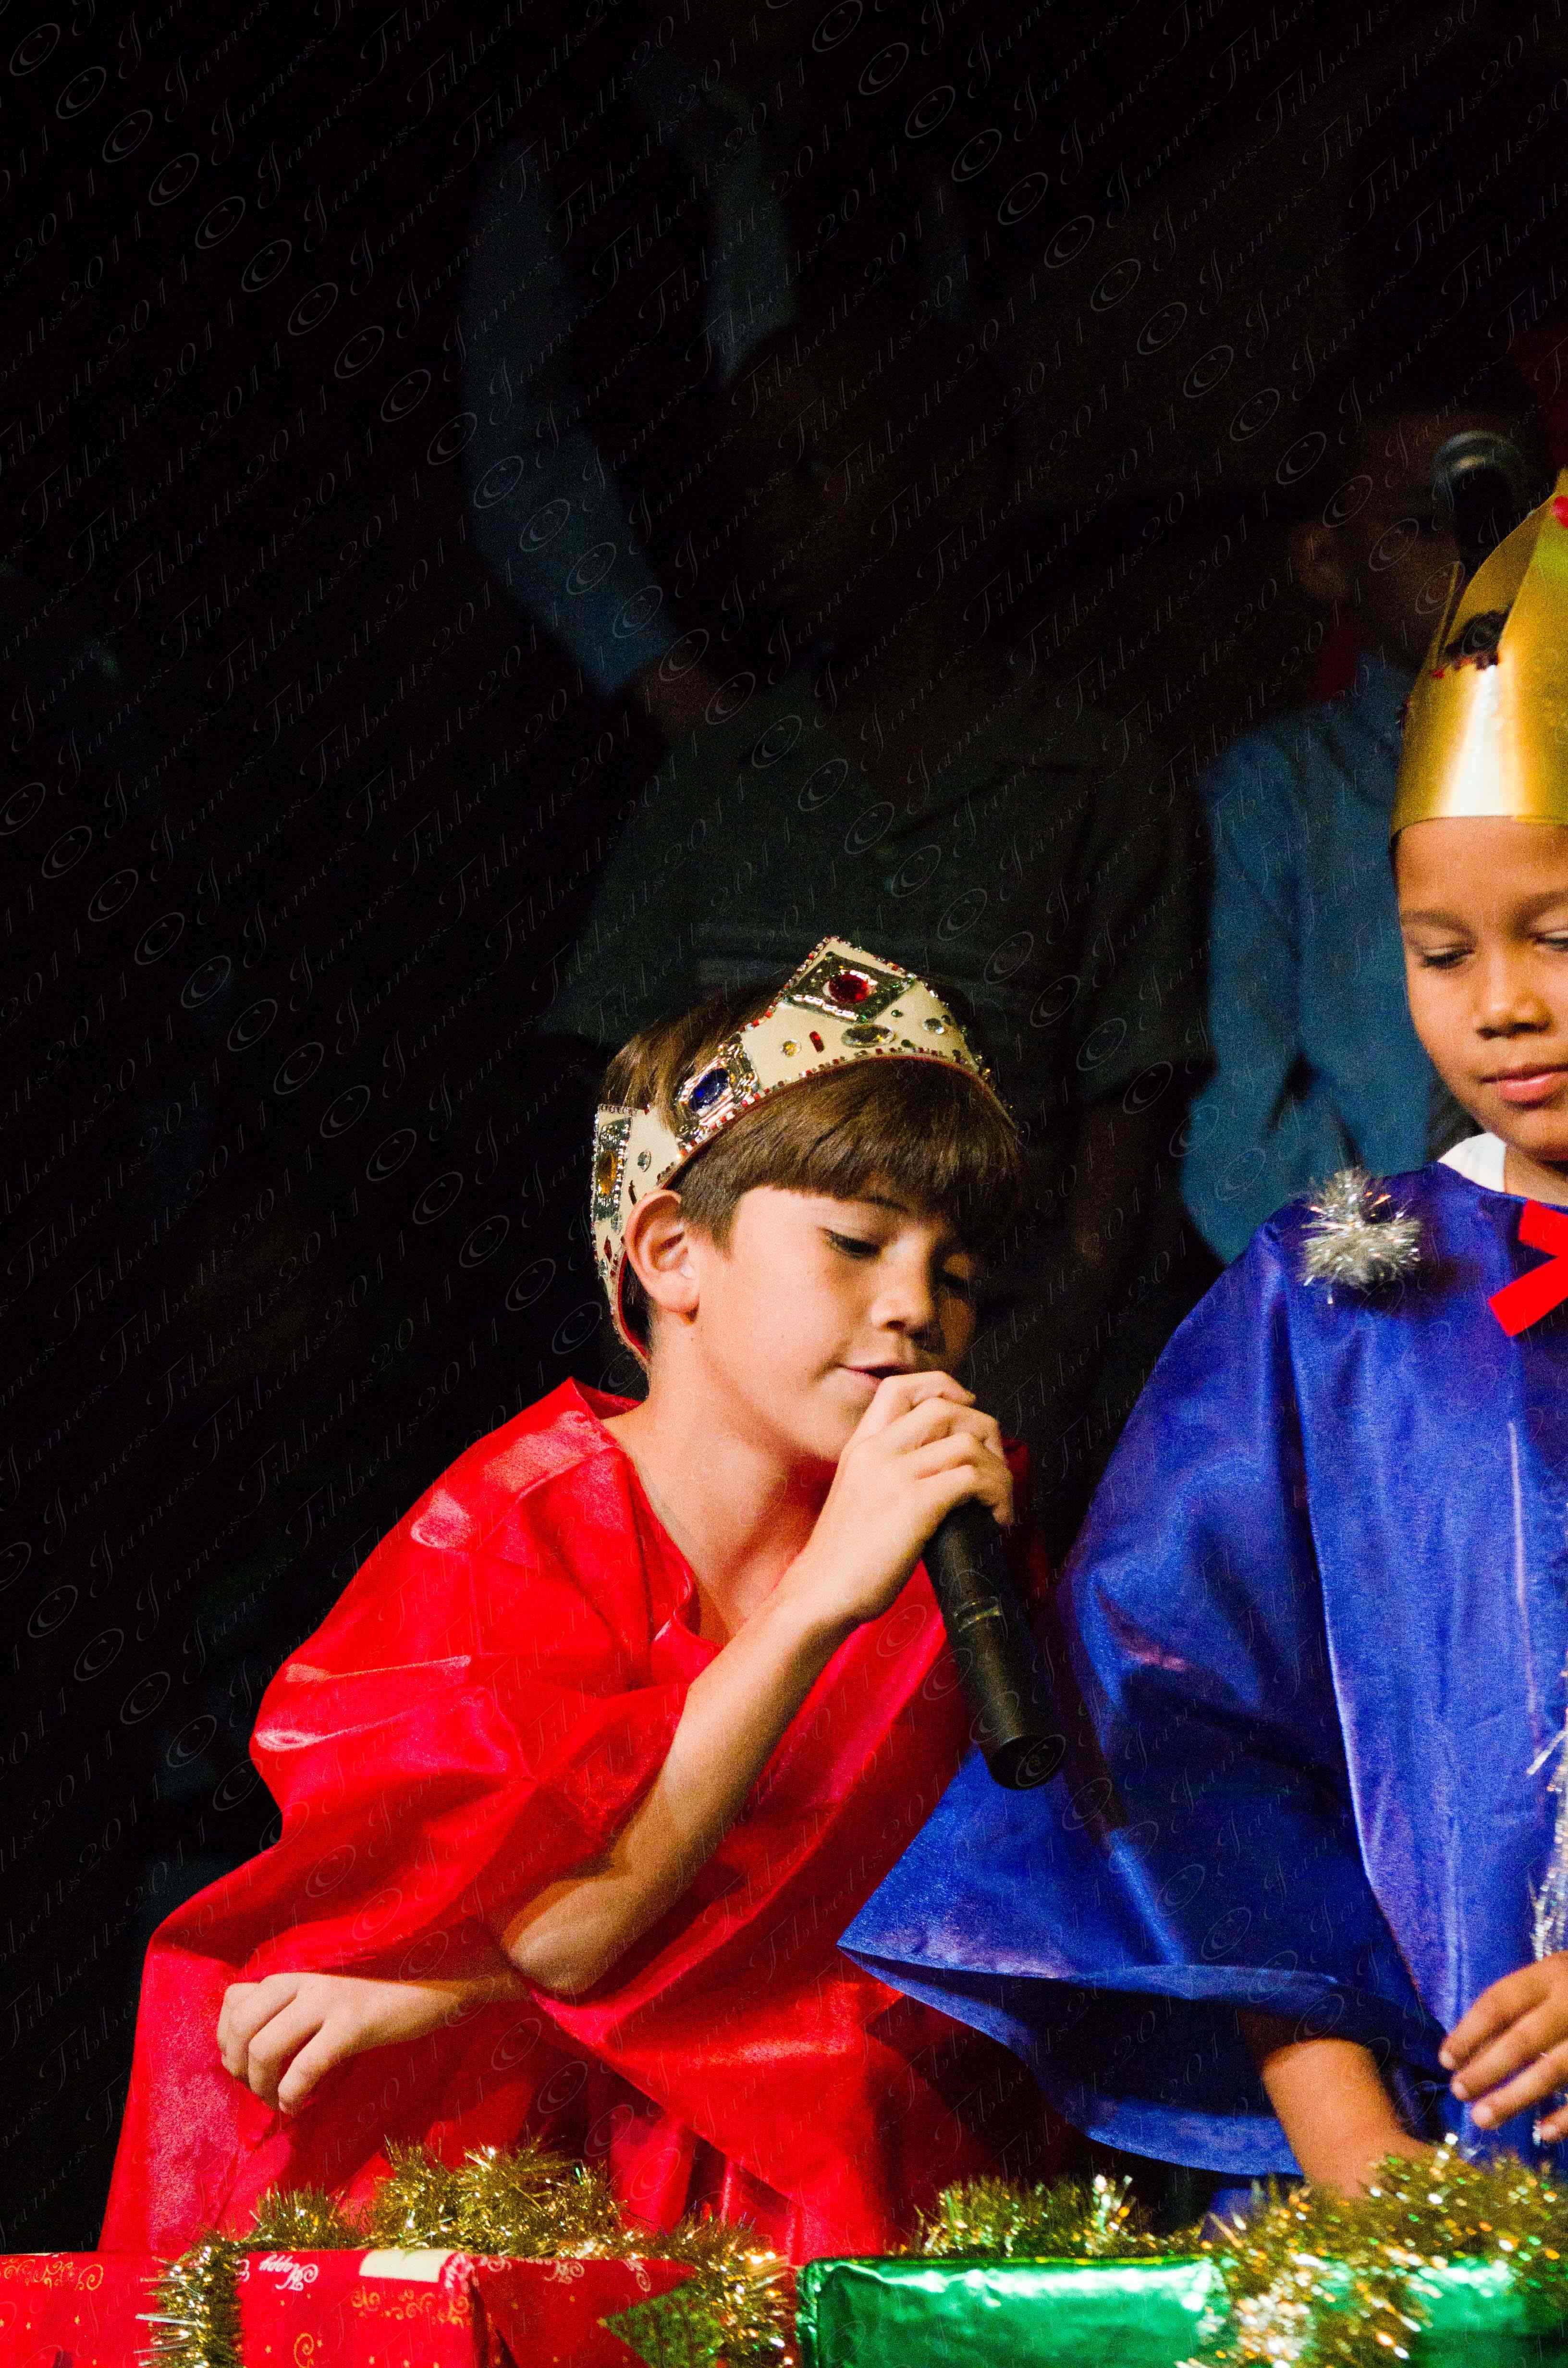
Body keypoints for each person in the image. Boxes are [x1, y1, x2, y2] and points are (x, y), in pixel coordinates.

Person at [98, 938, 1069, 2262]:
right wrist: (818, 1604)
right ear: (672, 1251)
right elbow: (568, 1934)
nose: (916, 1309)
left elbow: (951, 1952)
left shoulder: (952, 1543)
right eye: (855, 1242)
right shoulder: (516, 1529)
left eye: (954, 1274)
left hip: (826, 2181)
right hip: (529, 2184)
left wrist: (455, 1985)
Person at [844, 476, 1568, 2196]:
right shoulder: (1341, 1303)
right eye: (1439, 951)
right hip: (1424, 2182)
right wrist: (1355, 2156)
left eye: (1555, 933)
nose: (1501, 1003)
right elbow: (1180, 1731)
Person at [541, 299, 1210, 1550]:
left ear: (950, 484)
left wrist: (1007, 1401)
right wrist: (677, 1391)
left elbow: (1123, 1147)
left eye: (812, 466)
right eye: (753, 478)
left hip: (983, 1409)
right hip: (723, 1426)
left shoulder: (1094, 785)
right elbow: (618, 1113)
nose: (771, 514)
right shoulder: (720, 783)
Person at [1183, 349, 1548, 1263]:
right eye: (1424, 526)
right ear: (1325, 559)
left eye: (1509, 520)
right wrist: (1389, 1279)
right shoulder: (1274, 796)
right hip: (1372, 1286)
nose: (1477, 557)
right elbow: (1240, 1129)